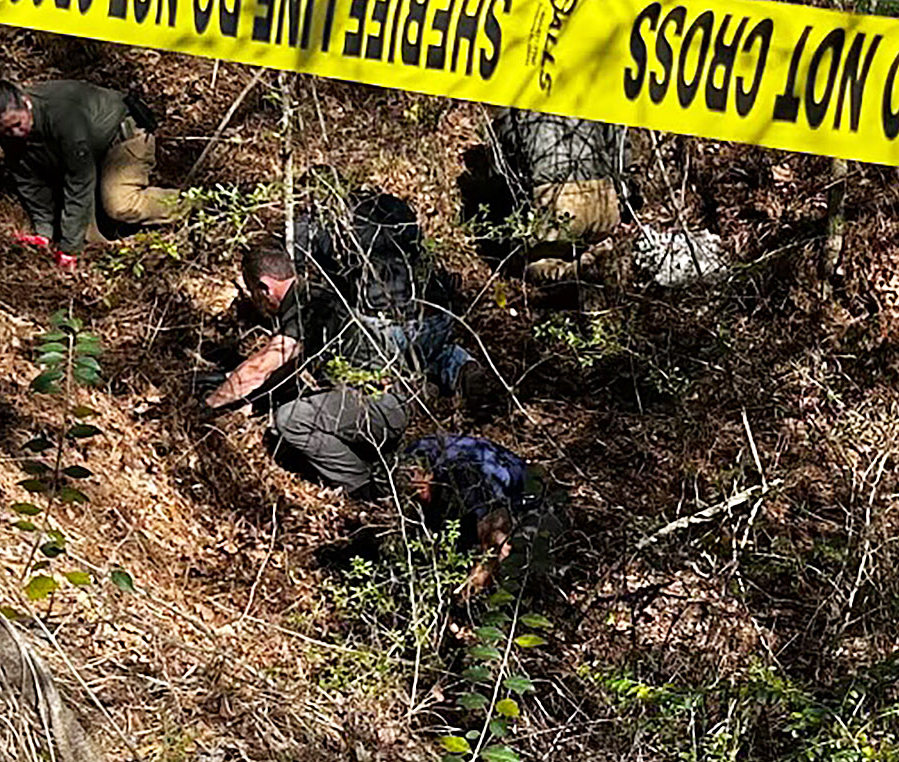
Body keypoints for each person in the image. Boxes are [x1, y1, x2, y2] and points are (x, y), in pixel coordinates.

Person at [200, 203, 462, 496]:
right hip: (389, 399)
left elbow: (262, 366)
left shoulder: (305, 306)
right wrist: (252, 399)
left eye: (253, 294)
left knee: (291, 419)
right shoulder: (315, 294)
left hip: (383, 406)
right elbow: (285, 370)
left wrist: (207, 406)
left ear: (265, 287)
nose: (257, 303)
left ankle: (365, 485)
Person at [0, 78, 175, 259]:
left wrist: (69, 250)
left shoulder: (61, 114)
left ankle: (187, 205)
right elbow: (29, 180)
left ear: (27, 103)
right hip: (88, 151)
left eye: (18, 124)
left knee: (119, 204)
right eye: (6, 130)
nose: (15, 133)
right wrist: (44, 232)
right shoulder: (9, 126)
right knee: (88, 234)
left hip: (123, 138)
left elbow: (80, 179)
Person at [395, 433, 561, 637]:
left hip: (530, 500)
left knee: (510, 561)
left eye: (418, 492)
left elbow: (496, 546)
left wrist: (460, 601)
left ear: (425, 476)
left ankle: (495, 622)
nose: (417, 499)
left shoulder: (467, 477)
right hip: (465, 492)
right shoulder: (411, 456)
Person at [464, 109, 629, 280]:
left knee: (526, 263)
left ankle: (565, 274)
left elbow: (499, 173)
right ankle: (596, 254)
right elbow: (620, 149)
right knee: (594, 237)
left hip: (555, 204)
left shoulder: (513, 104)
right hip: (603, 203)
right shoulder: (592, 97)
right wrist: (623, 199)